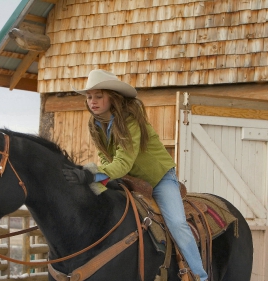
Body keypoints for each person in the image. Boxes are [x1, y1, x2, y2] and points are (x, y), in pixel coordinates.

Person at [62, 69, 208, 281]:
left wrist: (90, 175)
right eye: (89, 97)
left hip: (158, 178)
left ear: (112, 97)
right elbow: (105, 158)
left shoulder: (130, 122)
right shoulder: (95, 124)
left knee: (177, 223)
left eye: (99, 96)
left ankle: (199, 276)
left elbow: (122, 162)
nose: (92, 102)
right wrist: (92, 180)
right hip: (128, 177)